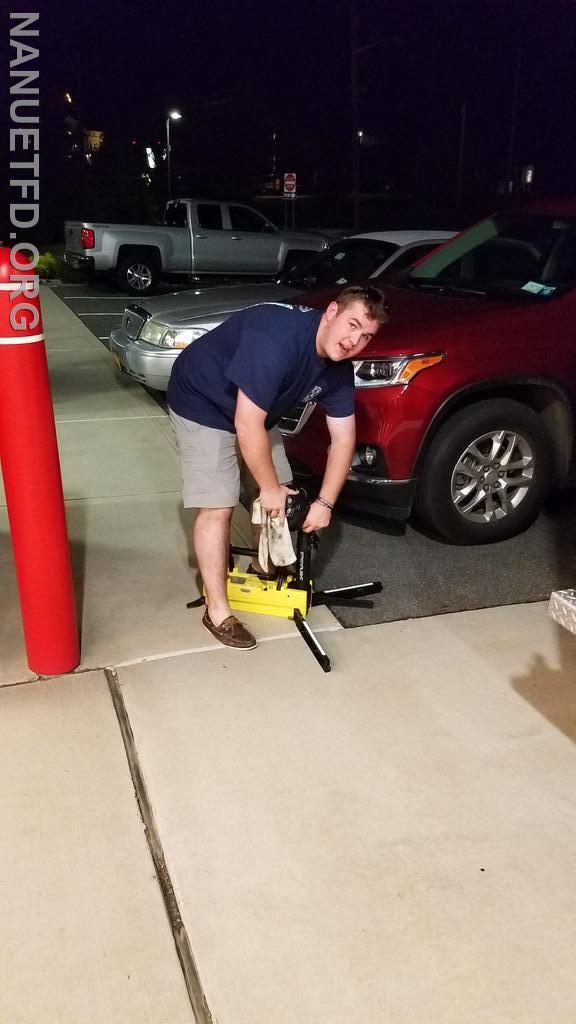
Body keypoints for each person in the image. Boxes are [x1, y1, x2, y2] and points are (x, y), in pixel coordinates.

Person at [167, 285, 389, 650]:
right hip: (201, 399)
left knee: (282, 491)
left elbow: (344, 440)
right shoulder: (277, 340)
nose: (354, 341)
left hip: (256, 407)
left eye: (365, 335)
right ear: (331, 311)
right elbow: (246, 424)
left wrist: (325, 503)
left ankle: (262, 570)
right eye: (351, 325)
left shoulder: (337, 370)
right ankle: (218, 612)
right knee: (219, 504)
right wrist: (267, 488)